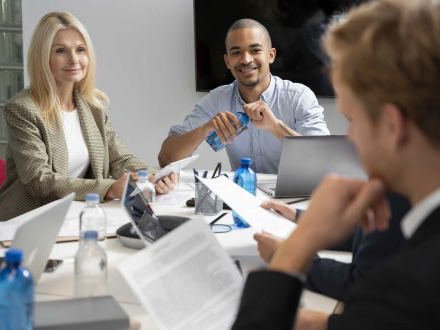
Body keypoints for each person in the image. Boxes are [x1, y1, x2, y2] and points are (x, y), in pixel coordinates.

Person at [232, 0, 440, 329]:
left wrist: (293, 252)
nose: (350, 138)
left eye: (352, 120)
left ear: (391, 126)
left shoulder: (410, 286)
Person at [0, 12, 176, 222]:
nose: (74, 59)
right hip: (24, 221)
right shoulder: (23, 109)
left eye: (80, 50)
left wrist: (152, 176)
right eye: (61, 51)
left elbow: (120, 158)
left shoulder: (92, 105)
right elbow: (39, 180)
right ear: (43, 57)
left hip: (72, 216)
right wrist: (110, 188)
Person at [158, 18, 329, 174]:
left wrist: (275, 127)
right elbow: (166, 159)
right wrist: (204, 129)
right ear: (227, 62)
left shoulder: (299, 97)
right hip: (242, 197)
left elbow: (325, 160)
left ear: (271, 55)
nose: (246, 59)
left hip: (294, 199)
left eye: (255, 50)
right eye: (236, 52)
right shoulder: (217, 99)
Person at [256, 193, 410, 301]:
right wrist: (300, 217)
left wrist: (291, 258)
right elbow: (364, 234)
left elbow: (362, 283)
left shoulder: (398, 194)